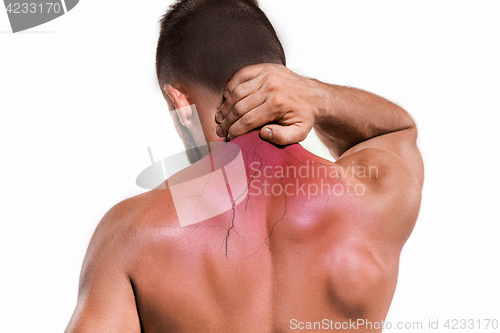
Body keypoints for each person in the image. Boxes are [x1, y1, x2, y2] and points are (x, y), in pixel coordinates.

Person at [65, 0, 423, 332]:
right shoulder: (372, 200)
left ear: (177, 102)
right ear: (286, 81)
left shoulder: (132, 234)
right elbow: (398, 129)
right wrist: (315, 95)